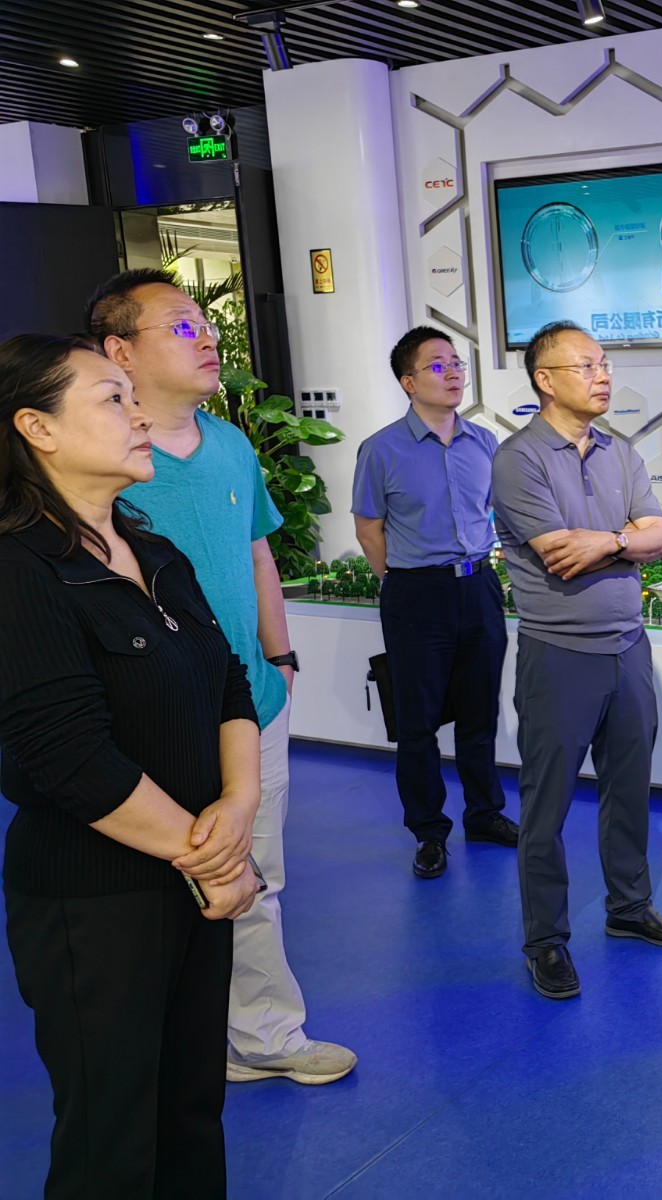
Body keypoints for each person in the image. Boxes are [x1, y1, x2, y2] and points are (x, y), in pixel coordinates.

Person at [0, 334, 262, 1197]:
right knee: (111, 1140)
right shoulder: (19, 569)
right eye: (114, 399)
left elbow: (228, 681)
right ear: (37, 427)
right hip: (96, 900)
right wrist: (212, 856)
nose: (140, 415)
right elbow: (67, 755)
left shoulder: (154, 552)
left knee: (190, 1112)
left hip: (192, 880)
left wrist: (239, 805)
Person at [88, 269, 355, 1086]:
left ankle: (262, 1038)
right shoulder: (102, 462)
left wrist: (280, 657)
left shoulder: (232, 445)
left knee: (253, 879)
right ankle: (167, 1048)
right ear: (119, 352)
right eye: (180, 326)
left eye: (204, 324)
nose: (205, 338)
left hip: (252, 705)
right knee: (153, 888)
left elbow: (257, 555)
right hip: (149, 716)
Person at [491, 320, 662, 1001]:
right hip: (559, 653)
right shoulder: (518, 459)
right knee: (546, 806)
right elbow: (560, 554)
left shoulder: (621, 451)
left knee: (629, 789)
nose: (603, 375)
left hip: (628, 647)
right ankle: (545, 940)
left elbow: (661, 538)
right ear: (545, 380)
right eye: (586, 365)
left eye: (604, 363)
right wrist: (626, 538)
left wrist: (607, 540)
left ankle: (629, 907)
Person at [352, 326, 518, 878]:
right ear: (408, 382)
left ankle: (484, 813)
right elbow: (369, 529)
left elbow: (496, 512)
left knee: (479, 712)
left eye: (456, 363)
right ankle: (428, 831)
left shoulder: (484, 443)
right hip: (416, 593)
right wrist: (402, 579)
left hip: (478, 587)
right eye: (438, 365)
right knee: (417, 723)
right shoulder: (381, 449)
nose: (453, 373)